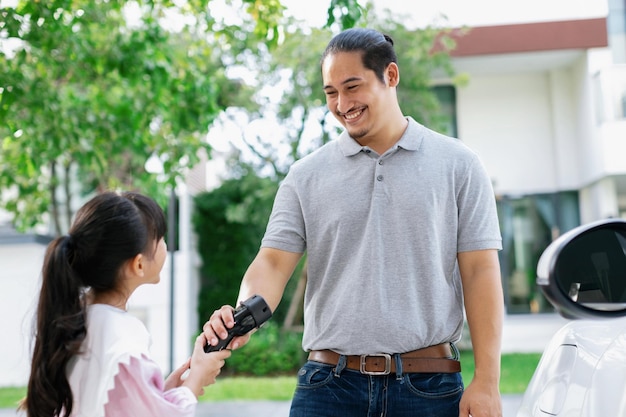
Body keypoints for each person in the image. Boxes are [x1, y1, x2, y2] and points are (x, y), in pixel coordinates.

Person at [205, 27, 504, 417]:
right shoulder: (305, 175)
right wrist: (244, 314)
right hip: (328, 388)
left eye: (352, 87)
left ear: (390, 77)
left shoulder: (458, 165)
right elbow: (273, 262)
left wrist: (488, 381)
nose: (342, 103)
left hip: (429, 387)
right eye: (331, 93)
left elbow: (480, 271)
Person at [20, 191, 231, 417]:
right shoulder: (122, 339)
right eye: (160, 238)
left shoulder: (76, 321)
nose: (164, 244)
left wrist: (160, 393)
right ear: (139, 264)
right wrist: (195, 381)